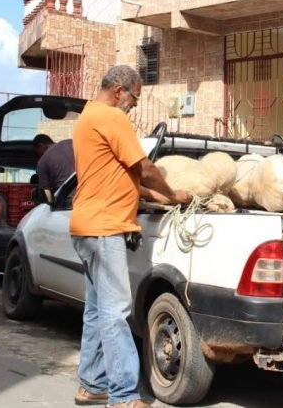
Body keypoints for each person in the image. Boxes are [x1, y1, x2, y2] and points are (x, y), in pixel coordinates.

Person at [69, 65, 191, 408]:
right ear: (119, 90)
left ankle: (92, 384)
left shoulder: (87, 117)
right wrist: (173, 193)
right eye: (134, 98)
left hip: (86, 226)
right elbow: (144, 168)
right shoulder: (112, 117)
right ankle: (123, 396)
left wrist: (158, 197)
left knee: (96, 311)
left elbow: (122, 179)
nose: (133, 106)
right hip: (105, 228)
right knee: (116, 312)